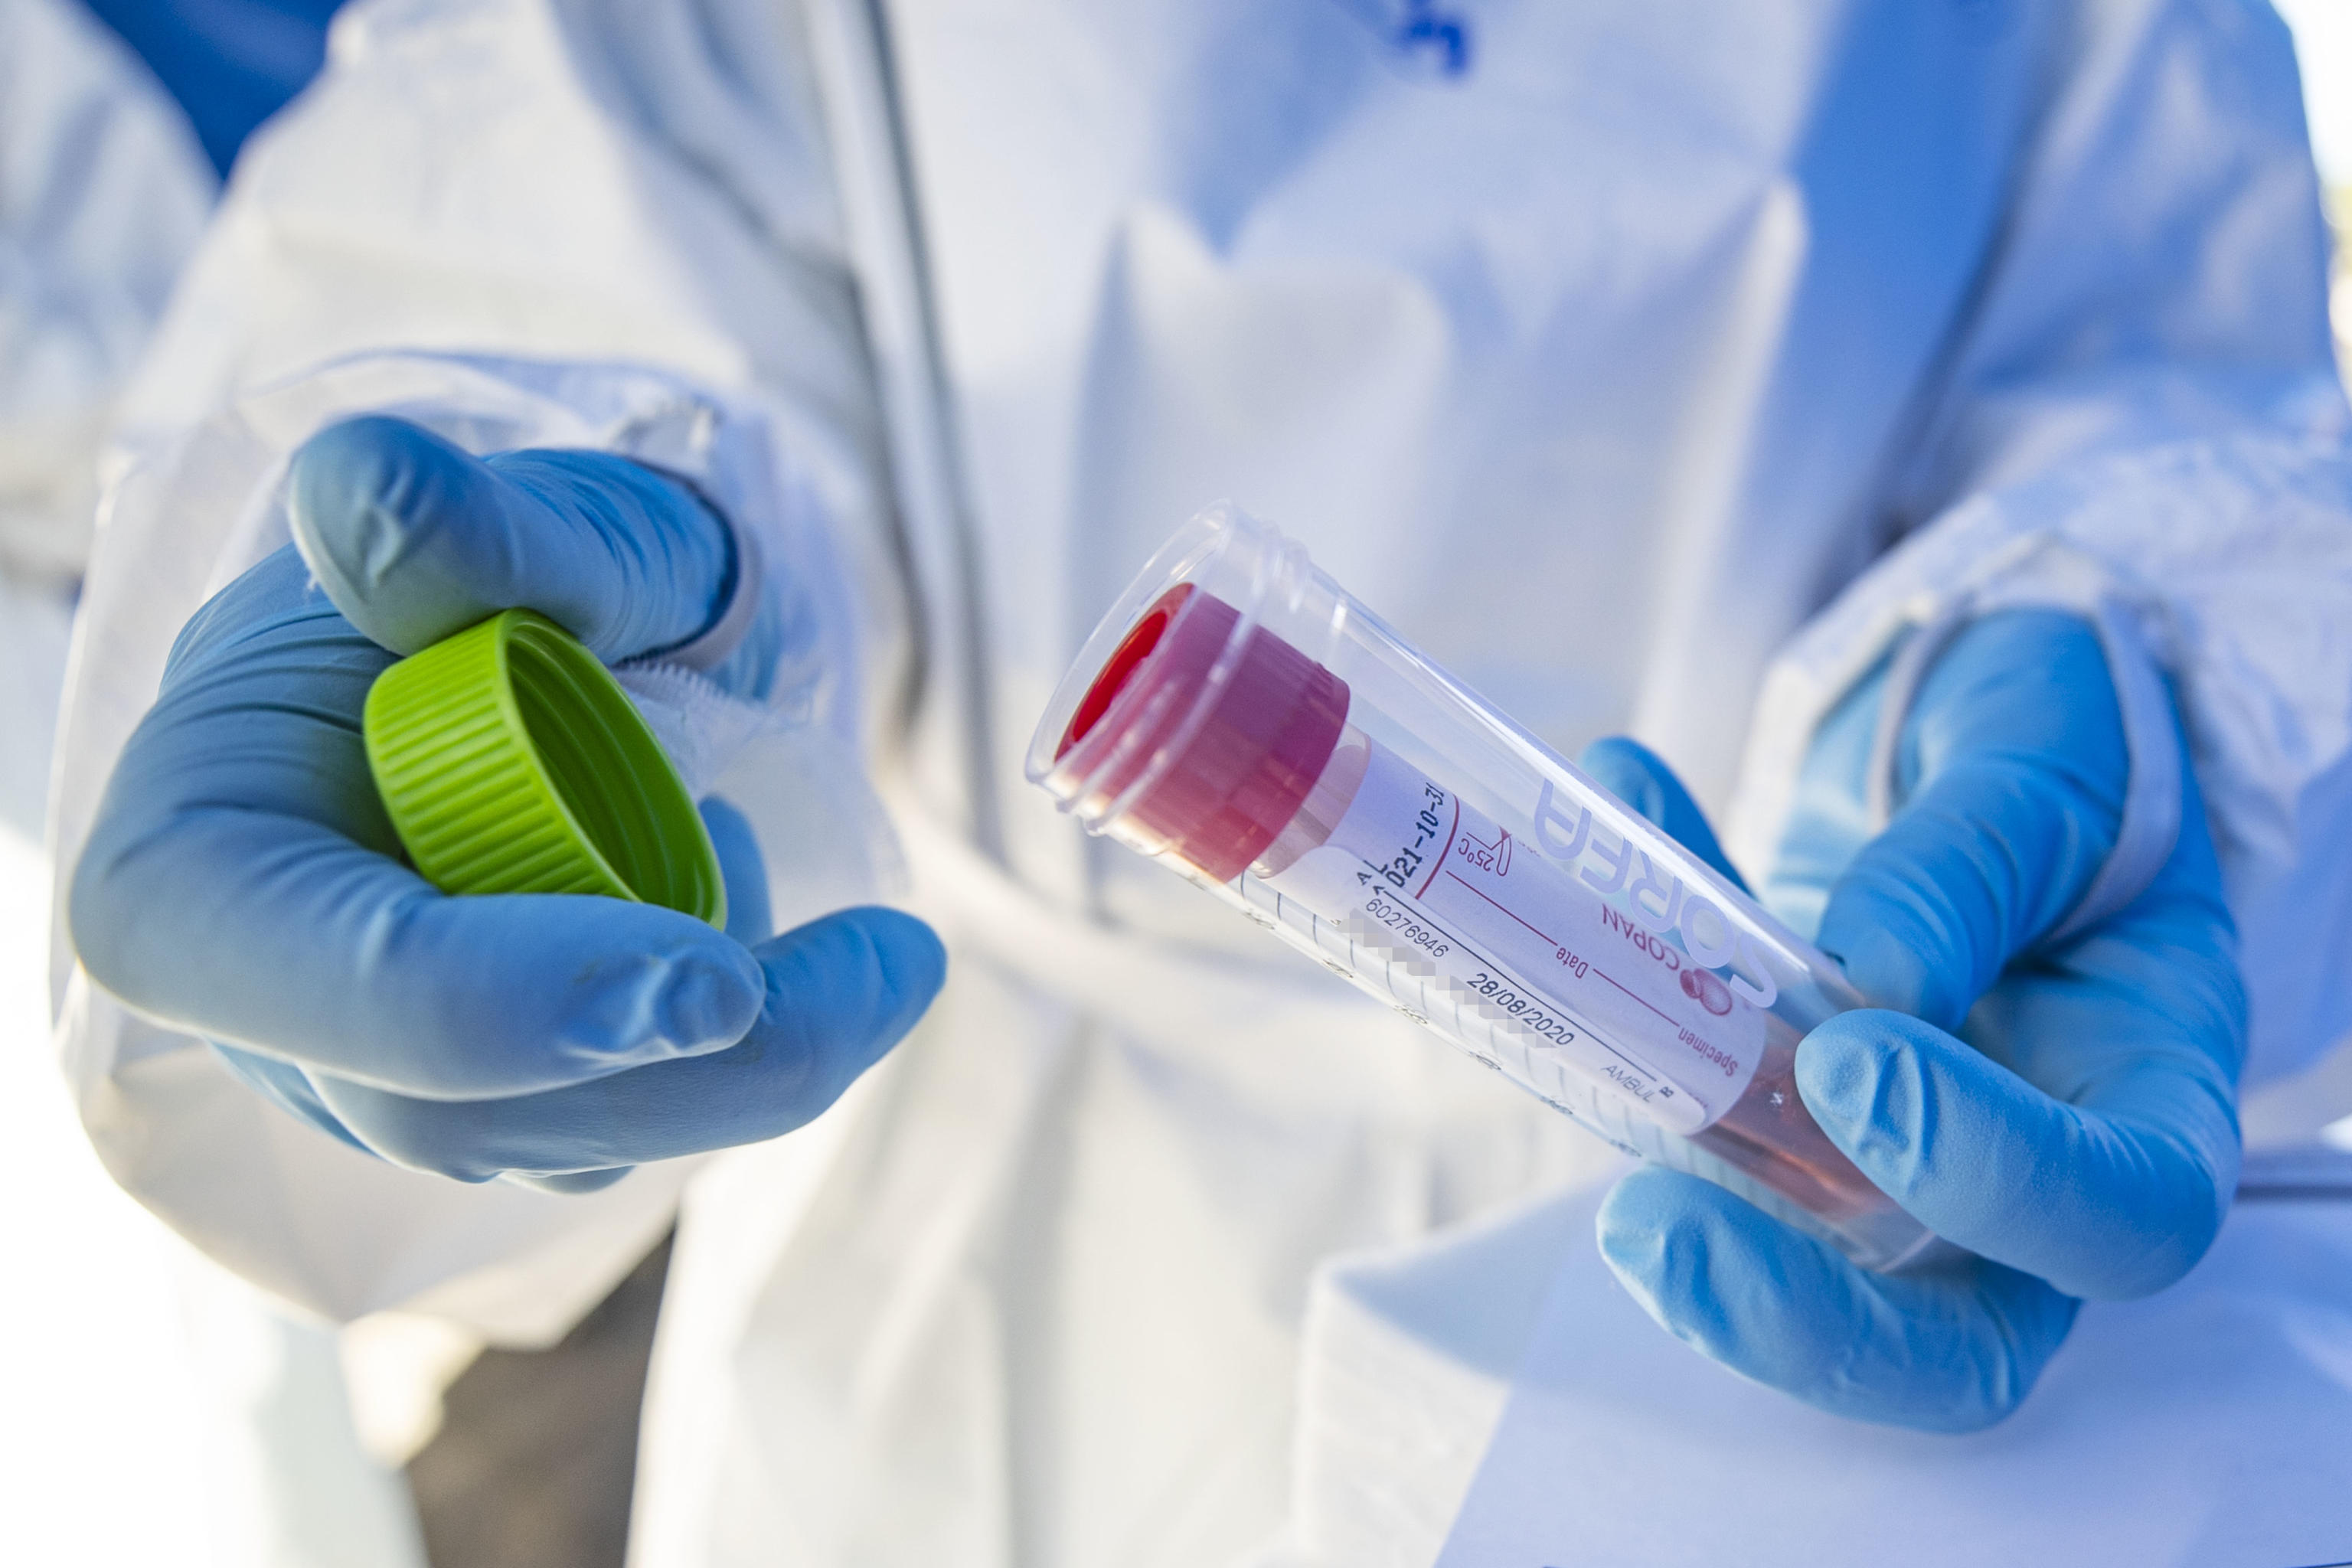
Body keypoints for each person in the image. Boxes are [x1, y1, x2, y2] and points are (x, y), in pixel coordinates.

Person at [47, 0, 2352, 1561]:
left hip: (1800, 1098)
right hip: (1006, 1285)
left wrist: (2100, 675)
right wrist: (580, 572)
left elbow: (2178, 364)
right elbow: (549, 214)